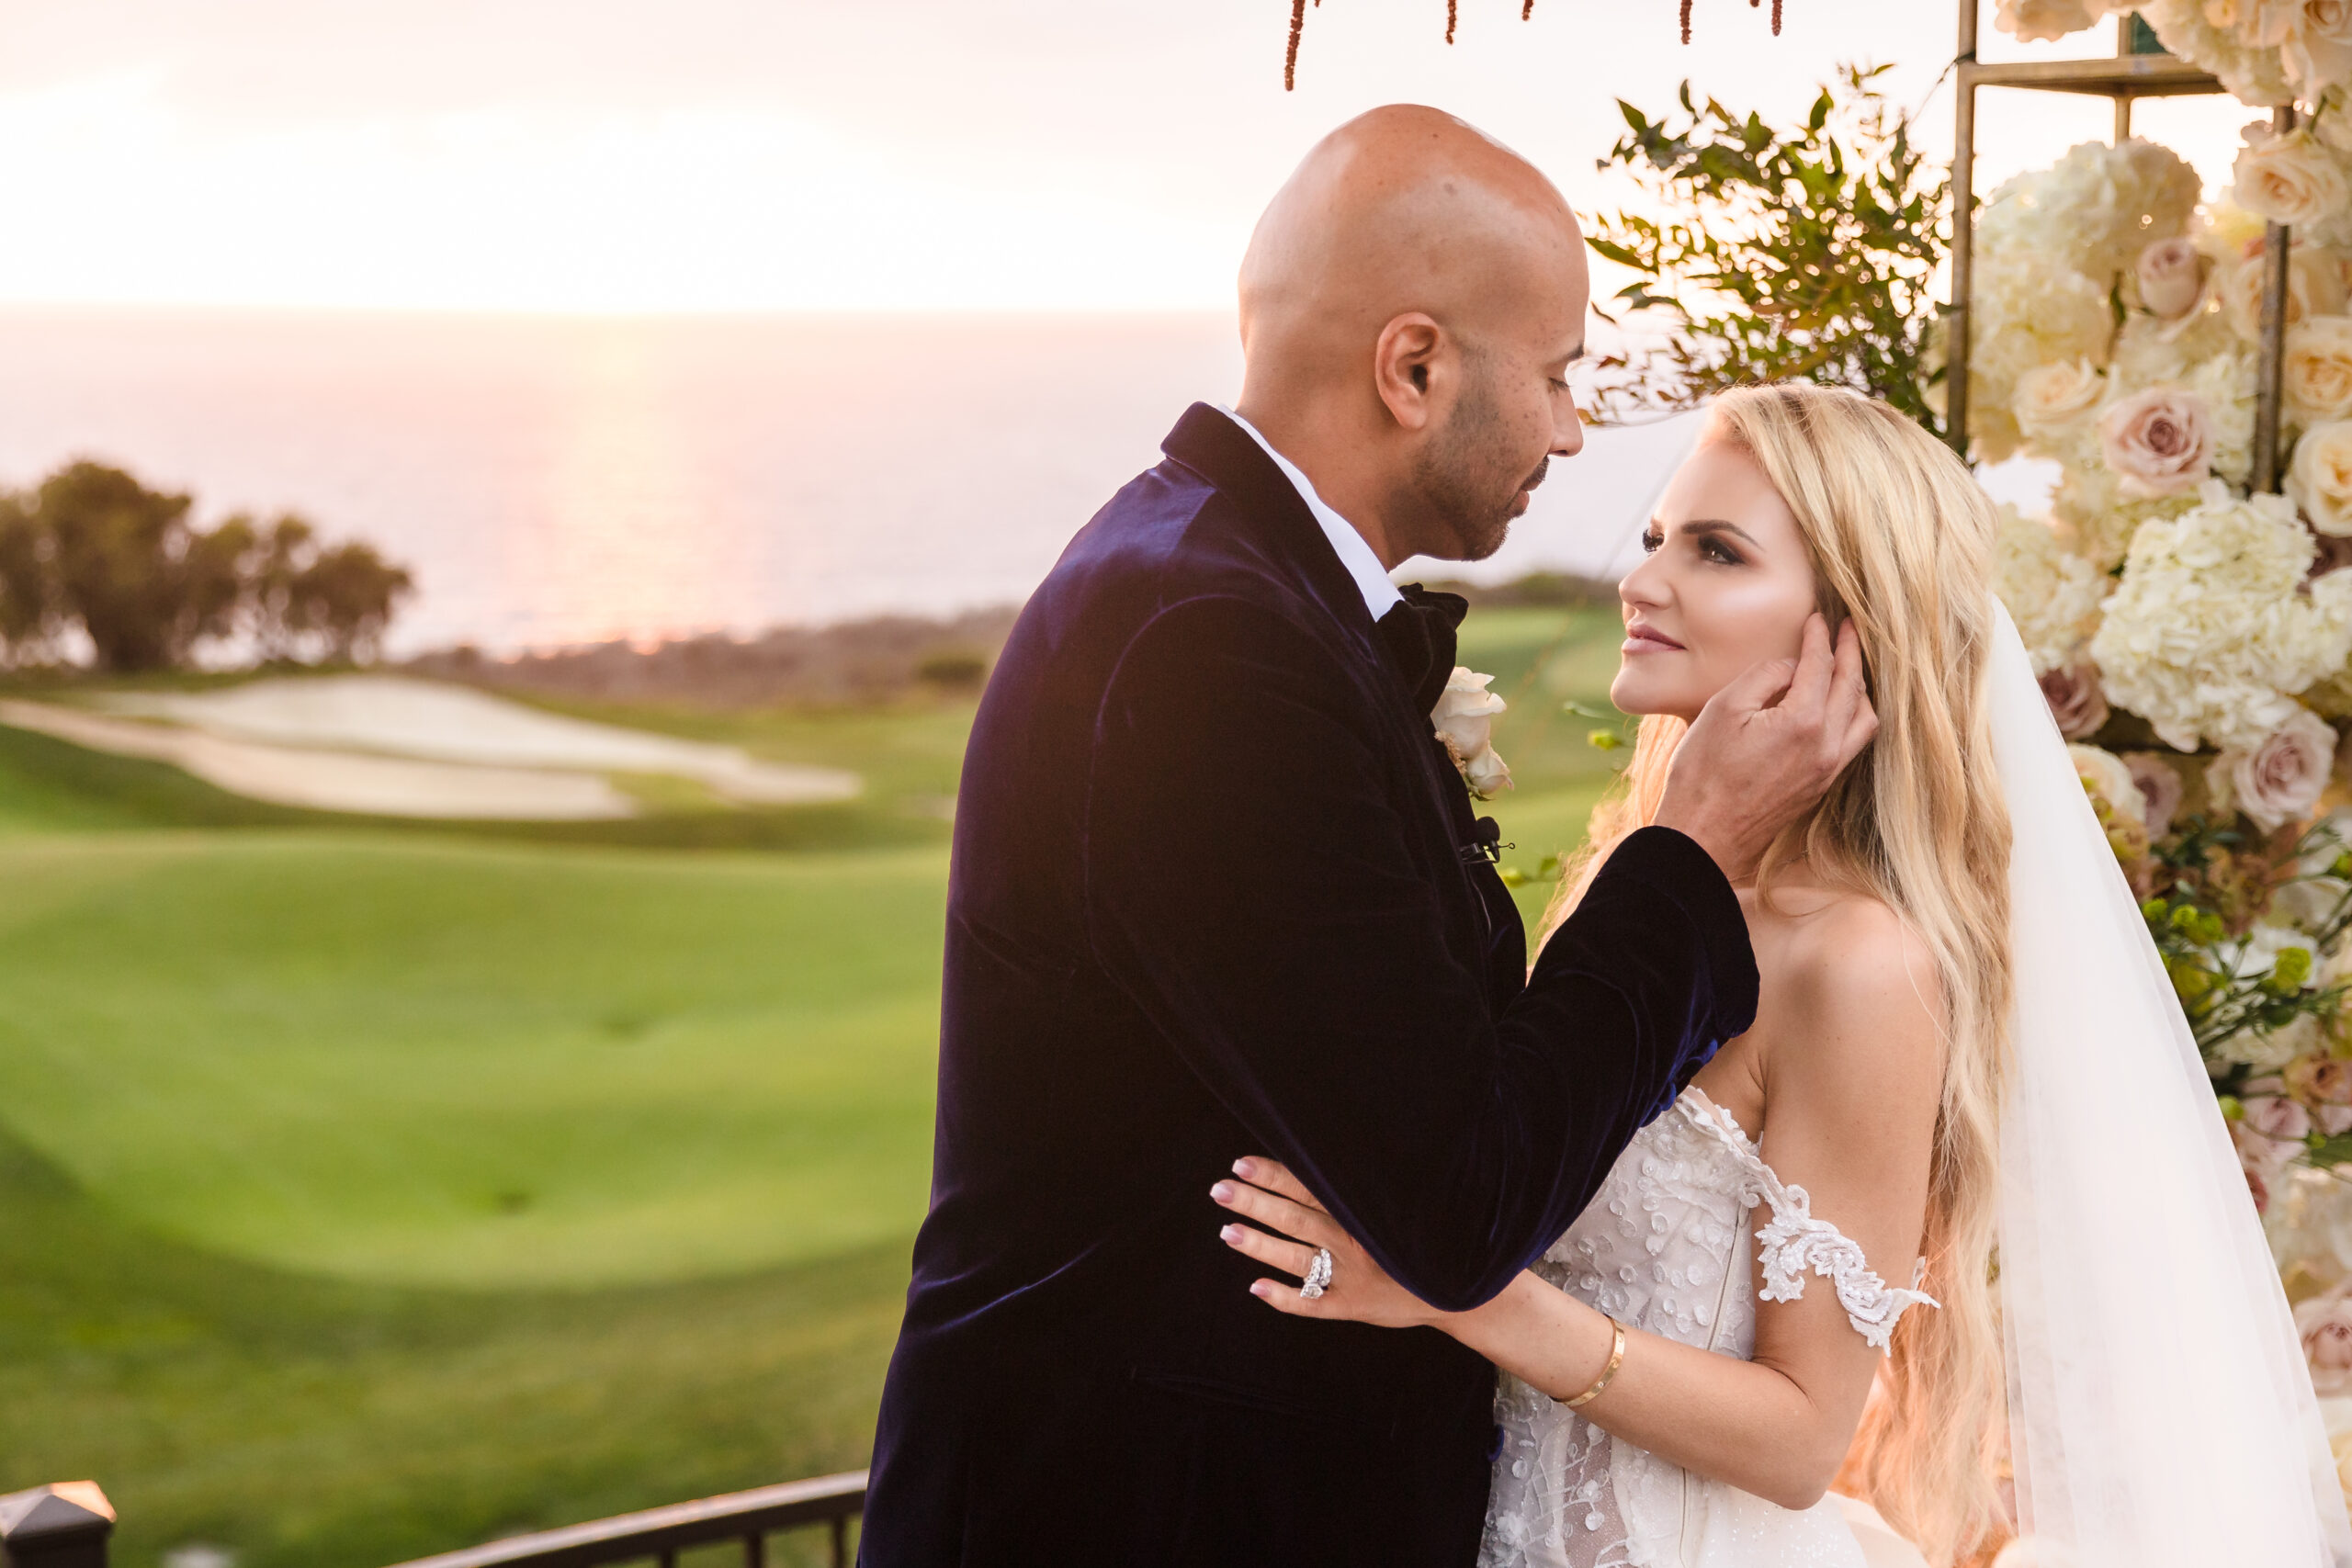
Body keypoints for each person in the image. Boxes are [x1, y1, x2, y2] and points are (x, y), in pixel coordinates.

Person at [856, 109, 1876, 1566]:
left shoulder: (1230, 585)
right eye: (1559, 373)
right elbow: (1458, 1198)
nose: (1573, 428)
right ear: (1416, 368)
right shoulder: (1213, 641)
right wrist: (1690, 850)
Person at [1213, 384, 2352, 1568]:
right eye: (1657, 539)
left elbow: (1806, 1436)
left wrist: (1454, 1293)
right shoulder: (1643, 884)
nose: (1643, 580)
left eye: (1717, 552)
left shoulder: (1861, 959)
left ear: (1849, 633)